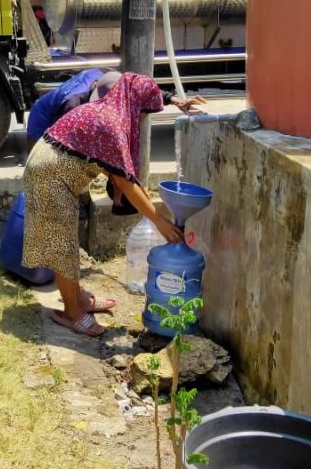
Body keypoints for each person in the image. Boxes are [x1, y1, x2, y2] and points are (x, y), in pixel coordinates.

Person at [22, 72, 184, 337]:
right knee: (62, 245)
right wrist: (161, 222)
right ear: (134, 102)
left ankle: (79, 299)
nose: (142, 119)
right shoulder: (112, 122)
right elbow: (126, 182)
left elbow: (118, 172)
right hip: (48, 175)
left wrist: (135, 190)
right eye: (144, 112)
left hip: (52, 169)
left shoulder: (107, 112)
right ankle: (72, 314)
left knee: (68, 241)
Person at [26, 67, 208, 150]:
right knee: (41, 159)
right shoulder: (73, 106)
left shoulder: (105, 73)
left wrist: (175, 100)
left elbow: (140, 89)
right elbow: (68, 141)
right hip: (42, 116)